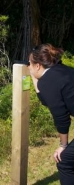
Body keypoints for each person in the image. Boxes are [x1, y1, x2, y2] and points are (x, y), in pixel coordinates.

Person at [28, 43, 74, 184]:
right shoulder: (63, 70)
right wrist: (34, 78)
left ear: (38, 66)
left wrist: (63, 145)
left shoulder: (49, 81)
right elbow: (46, 99)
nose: (28, 67)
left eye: (29, 64)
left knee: (64, 160)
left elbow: (62, 118)